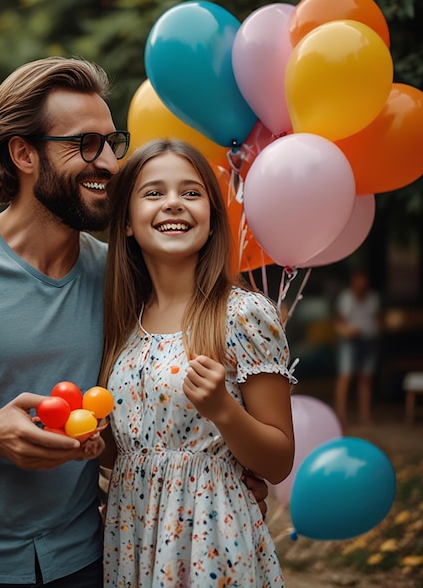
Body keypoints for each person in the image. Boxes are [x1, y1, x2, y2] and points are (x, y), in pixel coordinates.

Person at [0, 57, 268, 588]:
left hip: (83, 562)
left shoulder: (120, 276)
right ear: (23, 153)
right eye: (83, 145)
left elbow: (146, 406)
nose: (109, 163)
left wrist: (221, 475)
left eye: (111, 143)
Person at [99, 139, 296, 587]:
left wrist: (224, 411)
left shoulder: (243, 315)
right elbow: (128, 452)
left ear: (211, 216)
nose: (174, 204)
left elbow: (279, 461)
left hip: (213, 536)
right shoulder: (122, 323)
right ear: (127, 222)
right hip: (132, 535)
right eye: (153, 193)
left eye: (191, 193)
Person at [334, 268, 382, 428]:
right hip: (350, 341)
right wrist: (346, 330)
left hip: (368, 340)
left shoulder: (373, 298)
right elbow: (338, 322)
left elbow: (378, 320)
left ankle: (365, 416)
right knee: (345, 377)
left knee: (366, 378)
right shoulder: (345, 298)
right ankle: (341, 416)